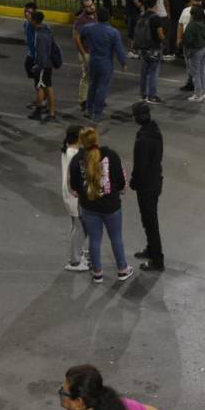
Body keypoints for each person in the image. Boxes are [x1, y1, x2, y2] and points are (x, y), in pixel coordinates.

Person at [67, 127, 132, 283]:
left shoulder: (76, 160)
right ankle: (122, 270)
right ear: (96, 139)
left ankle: (97, 273)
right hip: (111, 207)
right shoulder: (110, 155)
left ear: (81, 142)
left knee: (94, 240)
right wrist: (121, 190)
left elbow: (73, 188)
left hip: (88, 208)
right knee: (116, 238)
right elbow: (122, 180)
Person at [130, 103, 164, 271]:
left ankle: (157, 260)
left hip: (146, 186)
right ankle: (151, 250)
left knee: (150, 222)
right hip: (156, 181)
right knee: (149, 220)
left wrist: (133, 181)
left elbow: (140, 167)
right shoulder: (155, 131)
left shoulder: (142, 140)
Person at [79, 8, 127, 122]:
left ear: (97, 16)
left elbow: (80, 35)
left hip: (93, 61)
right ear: (109, 17)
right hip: (105, 63)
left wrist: (86, 46)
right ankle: (97, 113)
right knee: (102, 88)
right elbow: (119, 49)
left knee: (92, 86)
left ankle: (88, 110)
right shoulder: (113, 32)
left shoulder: (89, 28)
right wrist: (123, 63)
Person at [58, 125, 91, 272]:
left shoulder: (68, 149)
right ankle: (75, 261)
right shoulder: (74, 154)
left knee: (77, 226)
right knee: (80, 227)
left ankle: (77, 252)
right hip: (74, 195)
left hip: (69, 194)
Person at [178, 0, 205, 101]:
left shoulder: (192, 26)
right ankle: (202, 92)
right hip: (203, 47)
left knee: (195, 72)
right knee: (202, 70)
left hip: (194, 49)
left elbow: (187, 39)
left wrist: (182, 43)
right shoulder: (203, 19)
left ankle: (198, 94)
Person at [30, 12, 61, 122]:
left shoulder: (40, 36)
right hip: (48, 64)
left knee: (44, 88)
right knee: (45, 87)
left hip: (44, 65)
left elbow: (42, 55)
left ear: (34, 20)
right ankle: (44, 111)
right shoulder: (46, 30)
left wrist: (38, 67)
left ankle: (46, 113)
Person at [133, 0, 165, 104]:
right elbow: (160, 35)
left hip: (143, 49)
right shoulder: (156, 18)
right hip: (154, 49)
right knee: (153, 73)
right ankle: (152, 96)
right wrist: (165, 42)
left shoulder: (141, 16)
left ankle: (143, 95)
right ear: (155, 5)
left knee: (143, 73)